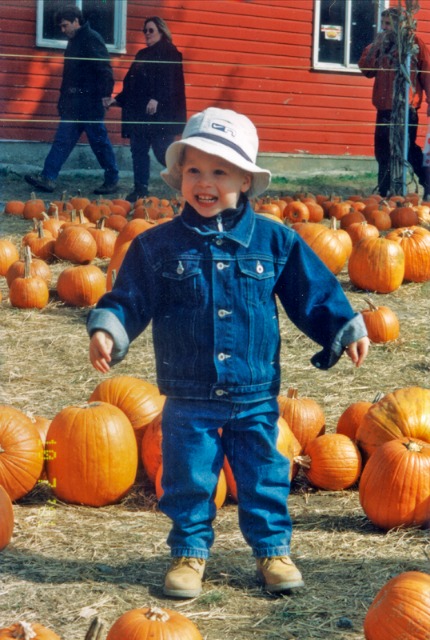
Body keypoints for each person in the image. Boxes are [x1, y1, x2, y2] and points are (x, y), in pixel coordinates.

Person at [87, 107, 369, 598]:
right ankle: (189, 553)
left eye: (220, 171)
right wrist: (110, 328)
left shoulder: (276, 240)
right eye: (194, 169)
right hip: (188, 390)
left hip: (255, 387)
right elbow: (130, 296)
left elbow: (313, 291)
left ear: (245, 179)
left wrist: (342, 326)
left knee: (264, 475)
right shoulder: (157, 246)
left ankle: (272, 551)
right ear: (179, 176)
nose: (205, 182)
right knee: (188, 478)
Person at [24, 5, 119, 195]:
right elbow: (68, 77)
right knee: (62, 141)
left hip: (91, 104)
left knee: (99, 143)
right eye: (61, 27)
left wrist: (106, 95)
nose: (63, 30)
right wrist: (63, 100)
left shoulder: (92, 39)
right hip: (74, 105)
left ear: (76, 21)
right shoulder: (73, 42)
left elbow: (105, 70)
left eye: (65, 25)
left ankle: (112, 180)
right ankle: (48, 178)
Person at [107, 16, 186, 202]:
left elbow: (170, 81)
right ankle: (140, 189)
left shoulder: (170, 52)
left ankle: (189, 181)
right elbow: (132, 84)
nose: (147, 34)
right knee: (138, 151)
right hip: (140, 114)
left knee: (162, 151)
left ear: (161, 31)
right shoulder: (142, 54)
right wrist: (117, 100)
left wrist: (157, 98)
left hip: (161, 114)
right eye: (145, 31)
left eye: (151, 30)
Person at [358, 7, 430, 199]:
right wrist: (376, 47)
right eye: (382, 24)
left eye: (388, 24)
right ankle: (384, 193)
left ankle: (428, 183)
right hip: (384, 108)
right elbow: (366, 69)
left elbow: (427, 74)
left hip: (406, 108)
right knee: (382, 151)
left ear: (400, 24)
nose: (384, 28)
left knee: (407, 149)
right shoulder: (380, 45)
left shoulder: (414, 44)